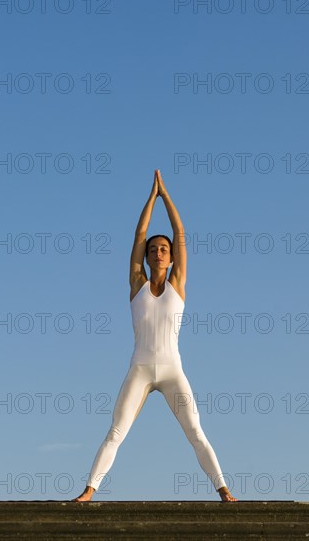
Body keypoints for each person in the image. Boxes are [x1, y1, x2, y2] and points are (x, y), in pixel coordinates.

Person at [73, 170, 237, 503]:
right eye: (153, 250)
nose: (158, 253)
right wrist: (151, 198)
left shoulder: (177, 283)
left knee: (195, 432)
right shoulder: (138, 285)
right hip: (141, 368)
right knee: (116, 431)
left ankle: (224, 491)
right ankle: (89, 492)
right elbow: (138, 235)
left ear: (172, 256)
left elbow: (179, 232)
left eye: (164, 249)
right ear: (146, 258)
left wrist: (166, 196)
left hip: (173, 370)